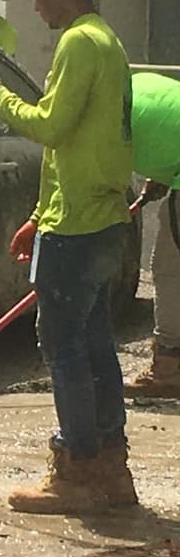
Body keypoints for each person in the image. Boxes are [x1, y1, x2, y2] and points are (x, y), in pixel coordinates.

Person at [0, 0, 135, 514]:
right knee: (94, 343)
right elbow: (76, 146)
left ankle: (77, 470)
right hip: (97, 216)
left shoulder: (79, 43)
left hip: (79, 226)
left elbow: (51, 127)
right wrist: (40, 214)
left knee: (63, 345)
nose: (33, 3)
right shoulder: (107, 40)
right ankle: (111, 467)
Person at [123, 71, 180, 397]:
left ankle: (168, 368)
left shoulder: (102, 118)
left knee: (169, 270)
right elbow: (167, 128)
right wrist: (161, 175)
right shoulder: (134, 83)